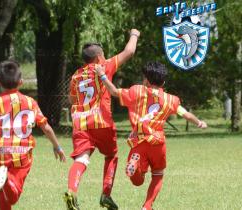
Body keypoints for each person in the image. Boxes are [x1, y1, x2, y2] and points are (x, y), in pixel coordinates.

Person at [95, 61, 208, 210]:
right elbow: (185, 114)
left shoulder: (137, 91)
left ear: (146, 80)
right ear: (164, 81)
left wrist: (102, 75)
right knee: (158, 174)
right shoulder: (171, 100)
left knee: (137, 181)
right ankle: (147, 206)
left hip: (139, 141)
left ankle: (135, 167)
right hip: (158, 143)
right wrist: (199, 122)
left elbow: (114, 92)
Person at [65, 29, 140, 210]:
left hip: (80, 123)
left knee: (81, 159)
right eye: (103, 55)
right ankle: (106, 195)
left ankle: (71, 190)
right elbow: (129, 52)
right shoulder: (104, 66)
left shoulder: (75, 75)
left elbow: (72, 99)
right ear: (99, 57)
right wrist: (134, 35)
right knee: (111, 155)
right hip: (101, 122)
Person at [0, 60, 66, 210]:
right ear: (21, 82)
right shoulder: (30, 102)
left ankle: (4, 178)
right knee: (12, 193)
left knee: (3, 182)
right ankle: (6, 180)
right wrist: (57, 147)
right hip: (22, 154)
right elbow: (46, 126)